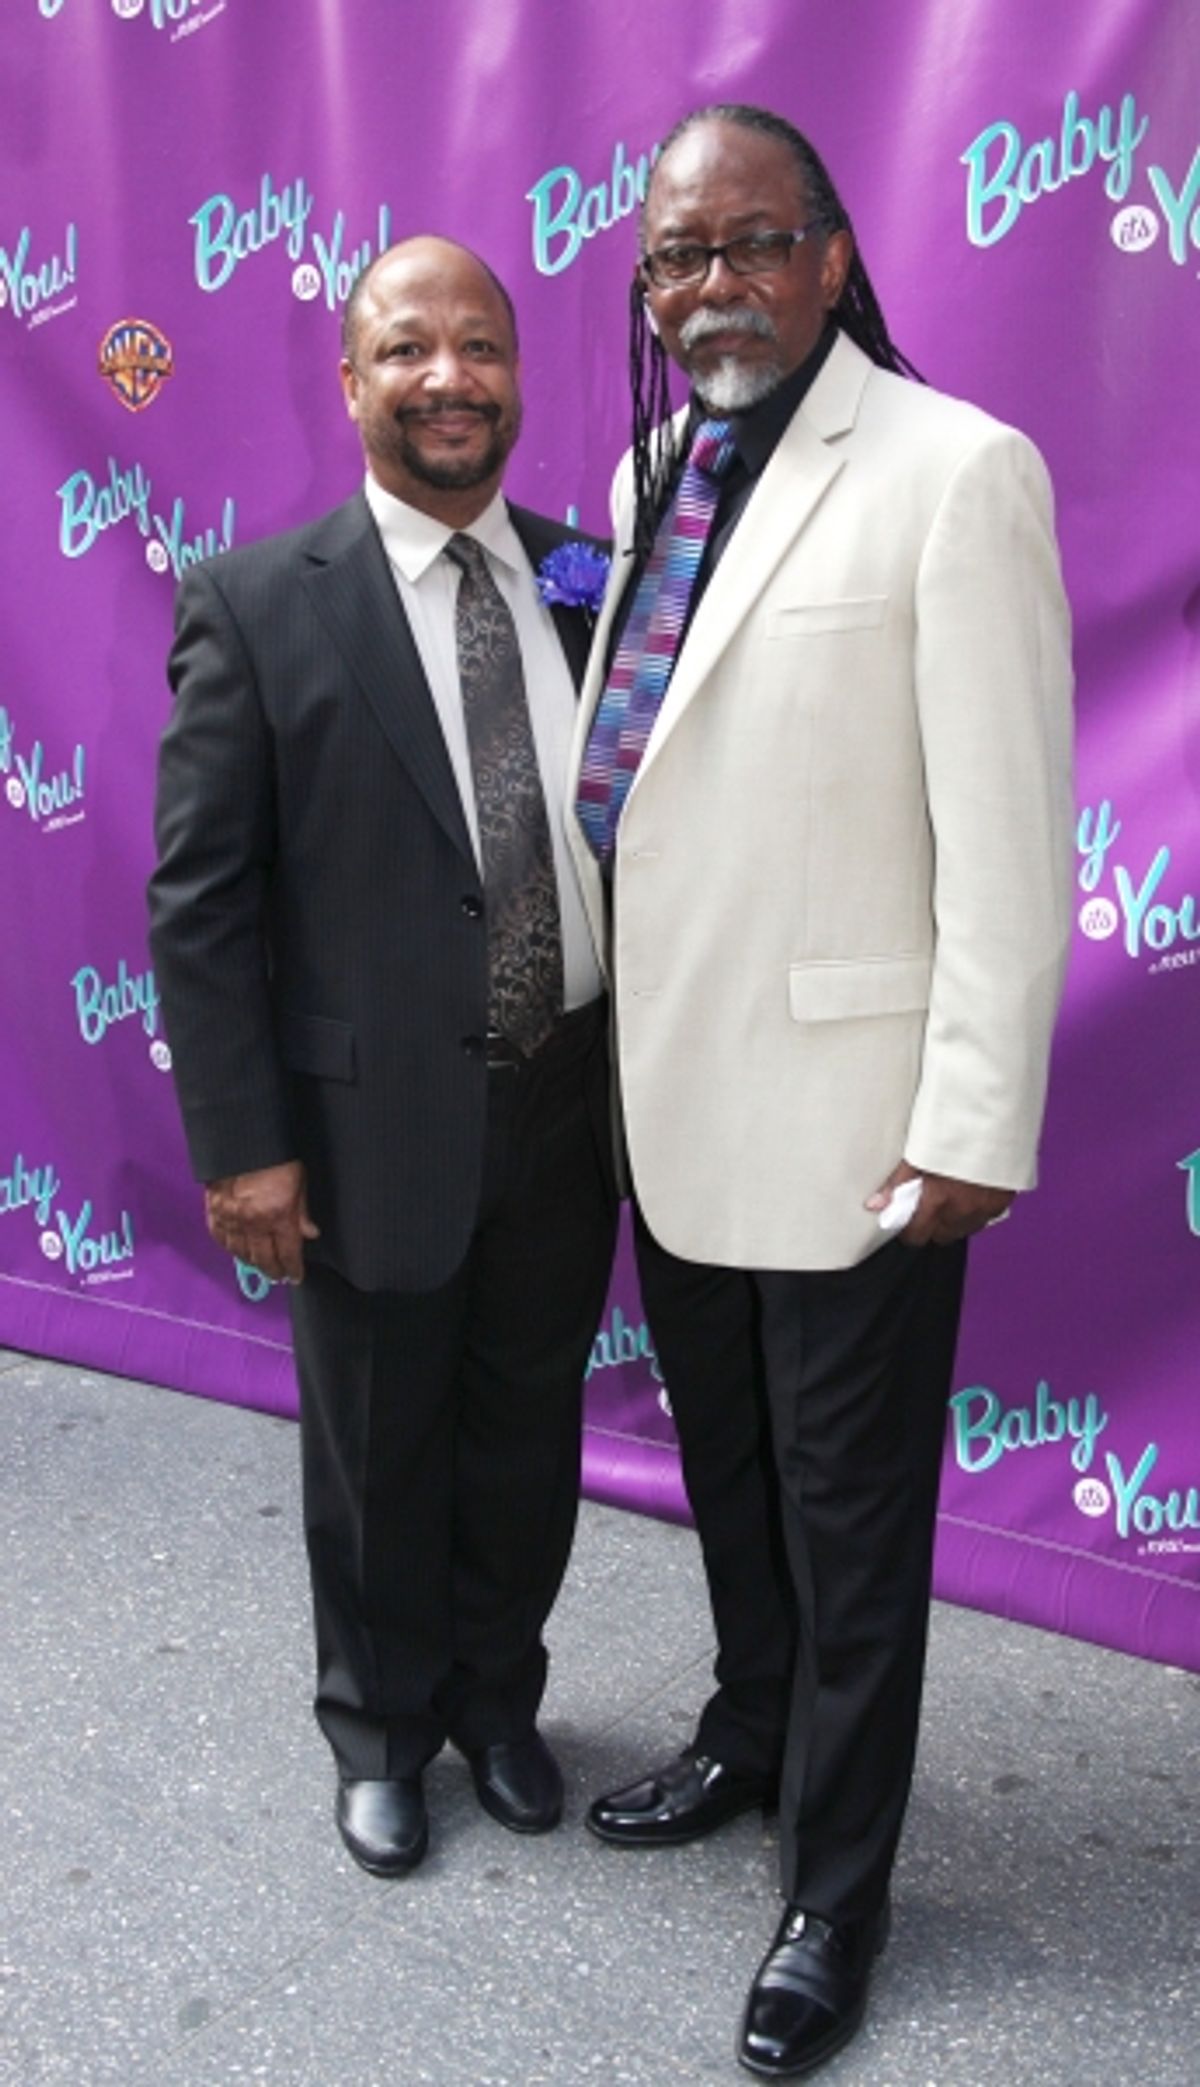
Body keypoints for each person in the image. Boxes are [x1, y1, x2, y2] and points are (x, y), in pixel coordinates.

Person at [564, 105, 1074, 2077]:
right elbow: (650, 769)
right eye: (678, 258)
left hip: (863, 1120)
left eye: (750, 244)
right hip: (673, 1092)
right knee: (735, 1476)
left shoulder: (956, 474)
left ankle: (834, 1896)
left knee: (857, 1526)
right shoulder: (650, 468)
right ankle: (752, 1733)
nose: (711, 288)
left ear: (837, 256)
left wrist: (969, 1118)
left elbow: (1009, 840)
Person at [148, 237, 618, 1880]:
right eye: (406, 350)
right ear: (350, 385)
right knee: (373, 1450)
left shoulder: (589, 580)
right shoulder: (261, 605)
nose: (448, 379)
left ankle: (499, 1703)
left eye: (478, 346)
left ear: (515, 374)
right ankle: (378, 1729)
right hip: (359, 1129)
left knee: (523, 1430)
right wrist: (243, 1145)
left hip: (568, 1101)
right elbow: (200, 906)